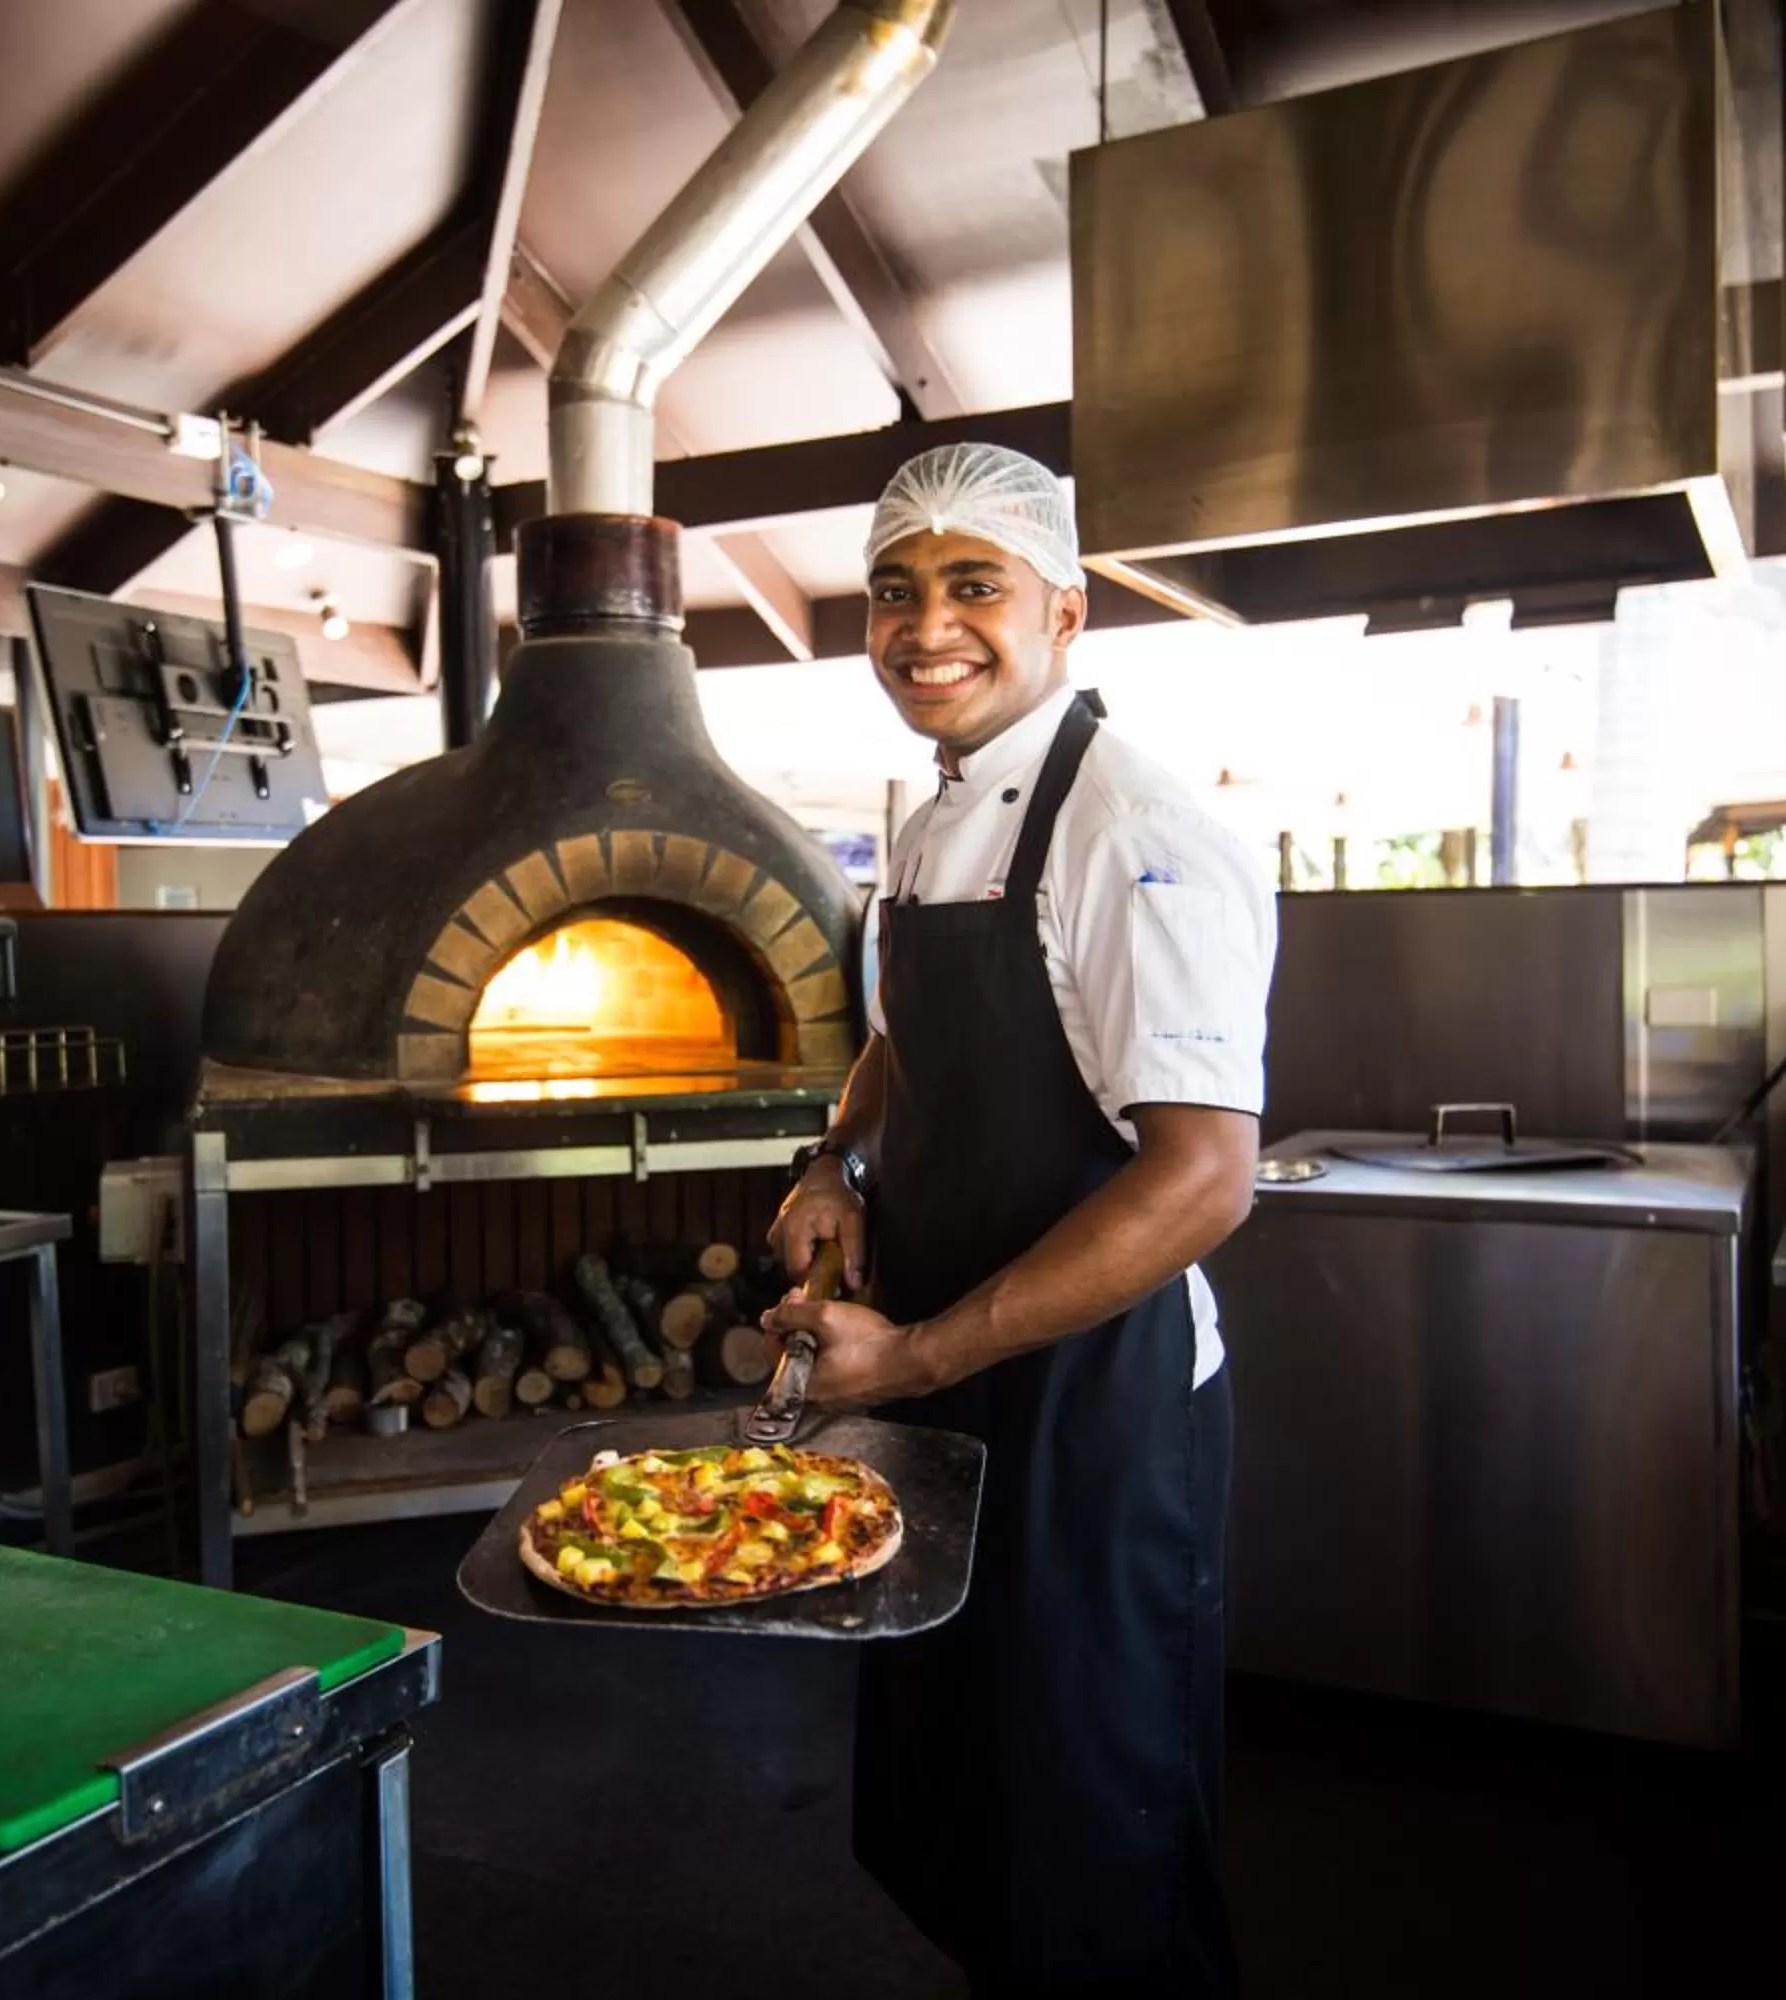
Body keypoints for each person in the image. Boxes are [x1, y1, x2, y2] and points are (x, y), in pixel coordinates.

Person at [765, 443, 1274, 1998]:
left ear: (1065, 612)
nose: (928, 628)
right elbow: (905, 1038)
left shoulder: (1129, 829)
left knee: (1091, 1820)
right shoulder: (933, 821)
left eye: (974, 586)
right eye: (895, 592)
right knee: (971, 1792)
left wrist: (910, 1358)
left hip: (1095, 1404)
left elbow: (1200, 1176)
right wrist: (833, 1165)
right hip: (954, 1375)